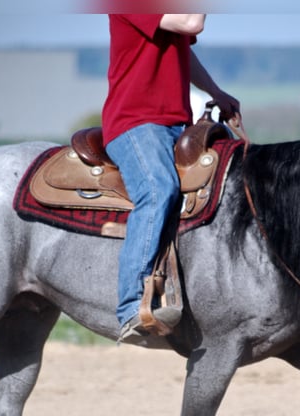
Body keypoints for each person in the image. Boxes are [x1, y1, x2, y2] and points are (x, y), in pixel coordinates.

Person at [102, 14, 239, 342]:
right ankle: (131, 308)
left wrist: (216, 91)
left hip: (177, 124)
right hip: (135, 123)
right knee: (158, 189)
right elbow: (192, 24)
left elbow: (184, 50)